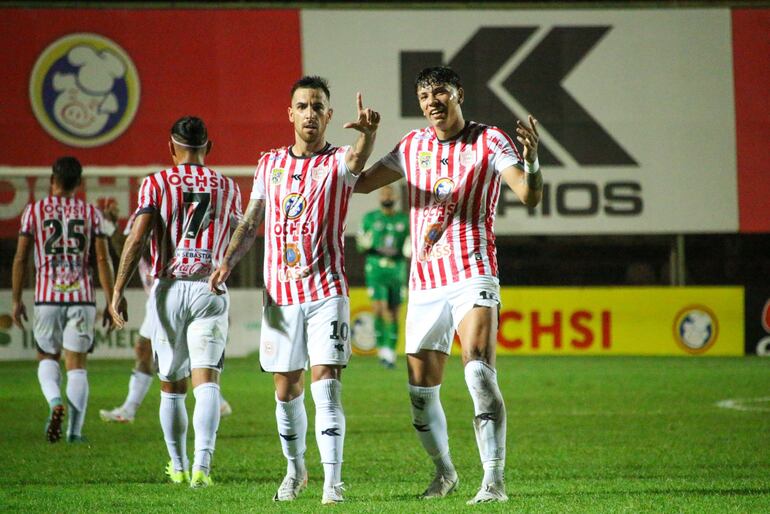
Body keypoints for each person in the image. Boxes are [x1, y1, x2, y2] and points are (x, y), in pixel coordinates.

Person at [353, 66, 543, 504]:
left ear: (459, 93)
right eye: (423, 95)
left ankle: (493, 482)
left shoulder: (490, 140)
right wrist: (366, 140)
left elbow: (529, 195)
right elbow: (360, 184)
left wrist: (531, 161)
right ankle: (445, 473)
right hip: (424, 283)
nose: (431, 101)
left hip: (473, 271)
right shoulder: (412, 146)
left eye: (440, 91)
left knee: (477, 369)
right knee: (420, 393)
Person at [209, 76, 380, 504]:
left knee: (326, 383)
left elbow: (359, 159)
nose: (309, 113)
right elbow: (251, 221)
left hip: (326, 292)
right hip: (281, 296)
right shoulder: (269, 165)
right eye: (302, 105)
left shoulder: (338, 161)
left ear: (328, 115)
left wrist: (369, 136)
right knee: (286, 389)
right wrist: (227, 261)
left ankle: (333, 482)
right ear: (290, 113)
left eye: (317, 106)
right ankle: (295, 469)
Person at [108, 116, 242, 488]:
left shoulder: (155, 183)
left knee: (171, 383)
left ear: (171, 147)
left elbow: (136, 240)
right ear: (208, 148)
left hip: (168, 289)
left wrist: (118, 289)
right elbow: (238, 235)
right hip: (209, 287)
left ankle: (178, 465)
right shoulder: (227, 186)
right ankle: (203, 467)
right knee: (207, 381)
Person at [11, 156, 120, 443]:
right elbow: (101, 258)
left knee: (47, 356)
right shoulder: (90, 213)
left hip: (47, 298)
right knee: (77, 365)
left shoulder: (34, 211)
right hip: (81, 297)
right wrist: (111, 300)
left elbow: (21, 257)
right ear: (80, 183)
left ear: (52, 180)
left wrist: (15, 299)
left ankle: (53, 402)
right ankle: (74, 432)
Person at [99, 205, 232, 424]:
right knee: (174, 353)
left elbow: (135, 246)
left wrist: (115, 231)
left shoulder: (154, 211)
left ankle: (129, 410)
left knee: (159, 353)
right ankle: (216, 402)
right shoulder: (168, 208)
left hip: (168, 290)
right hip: (175, 291)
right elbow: (129, 247)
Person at [355, 184, 410, 368]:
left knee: (393, 313)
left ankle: (391, 352)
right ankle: (382, 350)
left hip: (397, 270)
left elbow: (411, 246)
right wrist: (365, 243)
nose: (387, 196)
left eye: (390, 193)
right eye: (384, 193)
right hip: (376, 270)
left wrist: (409, 249)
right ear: (379, 197)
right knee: (379, 309)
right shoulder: (370, 218)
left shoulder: (405, 220)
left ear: (396, 197)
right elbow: (361, 245)